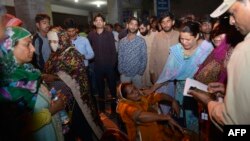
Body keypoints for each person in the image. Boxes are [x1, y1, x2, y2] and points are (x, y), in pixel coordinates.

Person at [188, 0, 250, 131]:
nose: (232, 21)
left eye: (233, 12)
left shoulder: (243, 50)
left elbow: (235, 125)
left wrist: (208, 102)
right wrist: (226, 90)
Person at [0, 26, 65, 141]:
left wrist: (50, 96)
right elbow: (18, 128)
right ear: (9, 47)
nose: (33, 49)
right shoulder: (6, 86)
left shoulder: (28, 70)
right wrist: (53, 110)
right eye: (27, 44)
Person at [149, 21, 213, 134]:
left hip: (200, 90)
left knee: (199, 119)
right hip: (180, 90)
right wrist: (152, 89)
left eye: (188, 39)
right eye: (181, 39)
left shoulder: (206, 49)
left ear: (197, 36)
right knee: (181, 117)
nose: (184, 42)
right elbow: (166, 74)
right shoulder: (177, 51)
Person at [43, 28, 103, 141]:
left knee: (80, 124)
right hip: (60, 100)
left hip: (76, 100)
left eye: (55, 41)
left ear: (62, 39)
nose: (52, 45)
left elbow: (78, 76)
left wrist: (55, 77)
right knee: (68, 129)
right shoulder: (53, 55)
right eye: (50, 41)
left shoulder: (73, 54)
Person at [194, 15, 244, 141]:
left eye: (221, 33)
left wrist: (209, 101)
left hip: (227, 113)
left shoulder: (233, 52)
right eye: (214, 33)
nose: (216, 37)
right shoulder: (218, 51)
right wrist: (225, 89)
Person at [116, 83, 183, 141]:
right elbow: (139, 116)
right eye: (131, 92)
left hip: (156, 131)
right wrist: (166, 117)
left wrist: (173, 100)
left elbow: (158, 96)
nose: (136, 92)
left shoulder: (141, 95)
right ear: (126, 98)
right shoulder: (125, 106)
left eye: (135, 88)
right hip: (142, 136)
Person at [87, 13, 117, 114]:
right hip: (97, 67)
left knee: (112, 89)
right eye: (97, 20)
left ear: (104, 23)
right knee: (100, 90)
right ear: (94, 23)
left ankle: (114, 109)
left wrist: (112, 65)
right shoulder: (91, 35)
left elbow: (113, 51)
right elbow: (89, 51)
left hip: (109, 67)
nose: (99, 22)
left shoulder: (109, 34)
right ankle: (102, 110)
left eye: (101, 20)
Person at [149, 12, 179, 84]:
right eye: (163, 22)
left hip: (176, 76)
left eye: (168, 21)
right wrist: (152, 73)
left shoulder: (179, 35)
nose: (165, 24)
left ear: (173, 22)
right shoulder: (157, 36)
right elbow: (152, 56)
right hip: (160, 75)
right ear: (161, 24)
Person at [118, 17, 147, 89]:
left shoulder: (141, 41)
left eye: (136, 25)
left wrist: (140, 72)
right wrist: (121, 71)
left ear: (137, 27)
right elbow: (120, 57)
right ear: (127, 25)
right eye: (131, 24)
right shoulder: (122, 41)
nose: (133, 27)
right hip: (125, 74)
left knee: (139, 94)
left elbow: (144, 57)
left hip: (137, 74)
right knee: (125, 95)